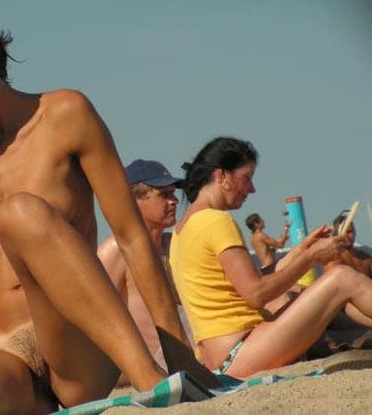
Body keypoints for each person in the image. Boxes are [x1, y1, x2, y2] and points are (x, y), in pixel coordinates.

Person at [0, 0, 215, 413]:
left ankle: (151, 382)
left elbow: (132, 237)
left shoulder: (65, 115)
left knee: (20, 214)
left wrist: (181, 359)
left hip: (78, 344)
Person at [169, 136, 372, 378]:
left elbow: (247, 280)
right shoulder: (216, 221)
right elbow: (256, 294)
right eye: (247, 178)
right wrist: (310, 258)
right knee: (342, 278)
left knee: (305, 292)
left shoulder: (182, 230)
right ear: (222, 176)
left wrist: (302, 251)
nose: (252, 189)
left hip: (224, 358)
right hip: (241, 351)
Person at [98, 159, 193, 387]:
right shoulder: (116, 251)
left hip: (182, 353)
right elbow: (93, 315)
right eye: (164, 194)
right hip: (151, 364)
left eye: (173, 193)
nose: (174, 201)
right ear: (133, 200)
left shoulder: (173, 244)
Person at [323, 211, 372, 277]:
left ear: (354, 232)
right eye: (343, 232)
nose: (346, 236)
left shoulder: (365, 258)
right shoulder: (332, 260)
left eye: (349, 231)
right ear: (336, 234)